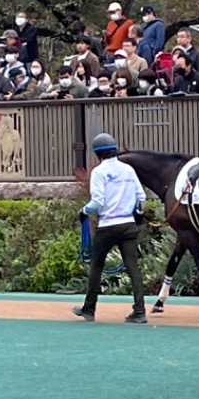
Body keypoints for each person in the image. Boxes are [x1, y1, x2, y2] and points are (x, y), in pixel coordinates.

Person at [73, 133, 148, 324]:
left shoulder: (99, 172)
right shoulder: (128, 170)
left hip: (108, 225)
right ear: (114, 150)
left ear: (97, 154)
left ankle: (89, 309)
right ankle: (140, 311)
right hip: (128, 224)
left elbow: (97, 202)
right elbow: (142, 197)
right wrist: (138, 214)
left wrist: (84, 211)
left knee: (96, 266)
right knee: (133, 269)